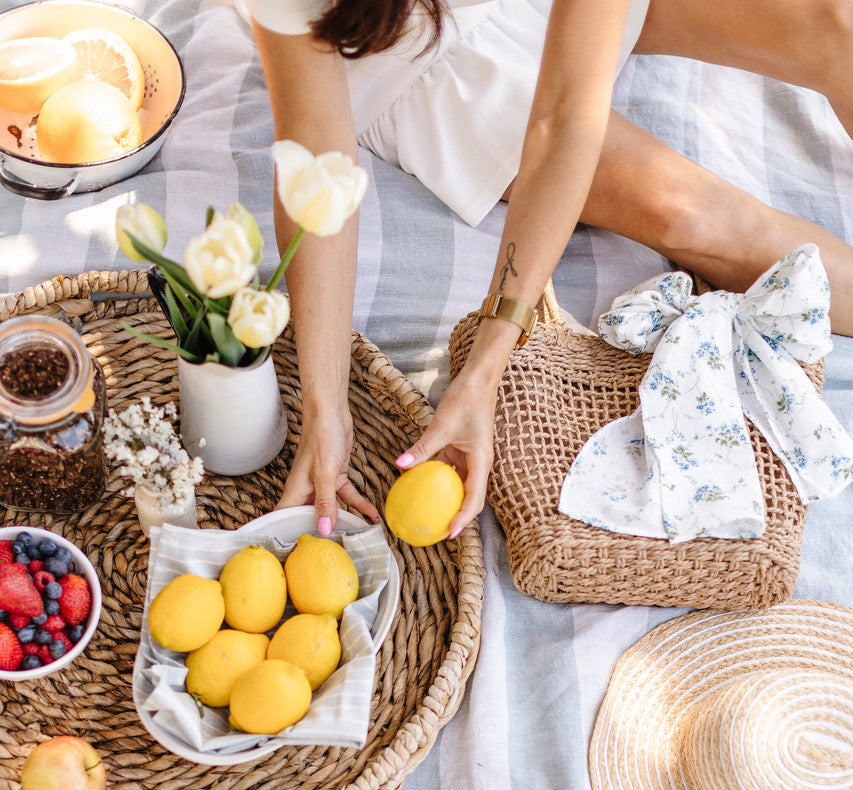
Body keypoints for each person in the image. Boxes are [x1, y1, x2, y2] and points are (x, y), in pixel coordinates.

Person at [248, 0, 853, 538]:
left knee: (834, 24)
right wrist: (328, 406)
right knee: (691, 216)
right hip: (418, 61)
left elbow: (570, 109)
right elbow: (316, 154)